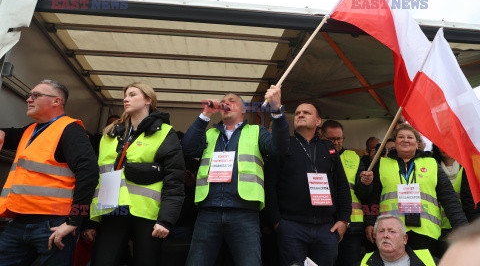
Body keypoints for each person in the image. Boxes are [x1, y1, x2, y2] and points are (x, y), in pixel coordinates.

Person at [182, 85, 289, 266]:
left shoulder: (256, 132)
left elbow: (280, 147)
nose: (226, 103)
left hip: (244, 212)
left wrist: (276, 109)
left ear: (243, 109)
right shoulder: (210, 133)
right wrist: (205, 114)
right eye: (223, 102)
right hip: (209, 210)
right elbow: (187, 148)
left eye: (232, 101)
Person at [82, 82, 185, 266]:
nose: (125, 99)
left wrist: (166, 220)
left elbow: (174, 180)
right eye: (125, 96)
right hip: (112, 211)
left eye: (132, 95)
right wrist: (92, 221)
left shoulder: (164, 133)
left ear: (148, 100)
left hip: (147, 215)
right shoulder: (110, 134)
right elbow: (100, 177)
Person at [0, 79, 99, 265]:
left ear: (56, 101)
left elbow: (90, 173)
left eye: (36, 95)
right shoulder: (30, 130)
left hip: (54, 225)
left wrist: (75, 220)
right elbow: (9, 135)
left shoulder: (70, 130)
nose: (29, 99)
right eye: (29, 95)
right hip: (19, 222)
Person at [265, 103, 351, 266]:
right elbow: (269, 186)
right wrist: (277, 222)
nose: (300, 115)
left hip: (326, 228)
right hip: (291, 226)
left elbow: (341, 186)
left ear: (318, 121)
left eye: (306, 112)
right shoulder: (283, 145)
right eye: (297, 113)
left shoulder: (329, 148)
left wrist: (344, 220)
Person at [365, 124, 468, 257]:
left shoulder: (431, 163)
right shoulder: (381, 164)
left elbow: (449, 199)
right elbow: (372, 197)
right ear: (395, 142)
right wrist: (369, 222)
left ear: (417, 143)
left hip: (425, 232)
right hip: (391, 231)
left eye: (410, 137)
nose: (405, 140)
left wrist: (462, 228)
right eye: (401, 137)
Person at [321, 120, 373, 266]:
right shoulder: (314, 155)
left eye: (339, 139)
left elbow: (363, 193)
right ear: (322, 137)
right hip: (323, 222)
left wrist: (366, 183)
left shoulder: (354, 157)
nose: (336, 142)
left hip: (351, 224)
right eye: (331, 139)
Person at [432, 144, 480, 255]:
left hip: (464, 226)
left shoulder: (468, 168)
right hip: (438, 229)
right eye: (441, 145)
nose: (446, 148)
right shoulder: (431, 168)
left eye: (449, 144)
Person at [360, 215, 438, 265]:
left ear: (404, 239)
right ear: (375, 236)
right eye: (381, 231)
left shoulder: (430, 261)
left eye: (391, 231)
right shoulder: (362, 263)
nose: (385, 235)